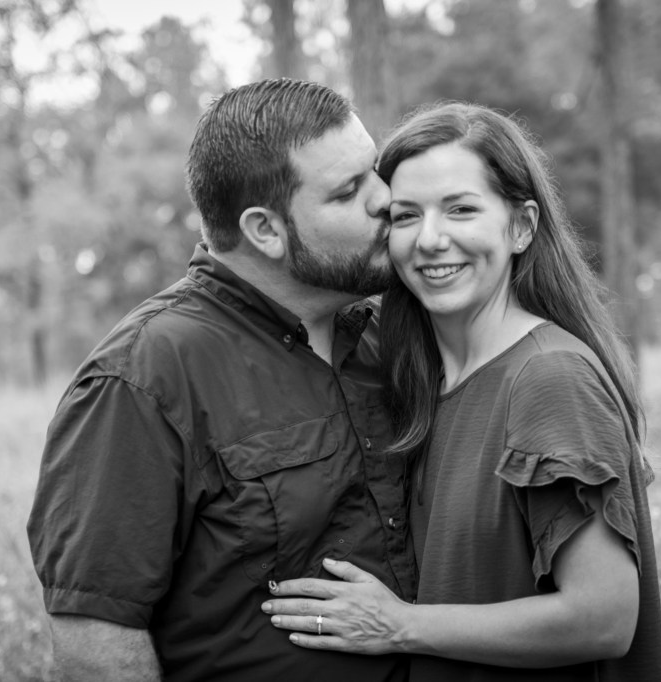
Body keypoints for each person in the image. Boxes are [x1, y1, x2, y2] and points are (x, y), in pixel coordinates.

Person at [26, 78, 417, 682]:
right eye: (348, 191)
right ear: (265, 230)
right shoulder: (143, 377)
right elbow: (95, 641)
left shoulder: (385, 337)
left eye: (375, 171)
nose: (386, 199)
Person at [262, 102, 661, 681]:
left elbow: (603, 617)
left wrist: (398, 624)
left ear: (521, 226)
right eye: (406, 215)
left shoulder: (548, 378)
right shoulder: (419, 383)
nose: (430, 240)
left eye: (461, 209)